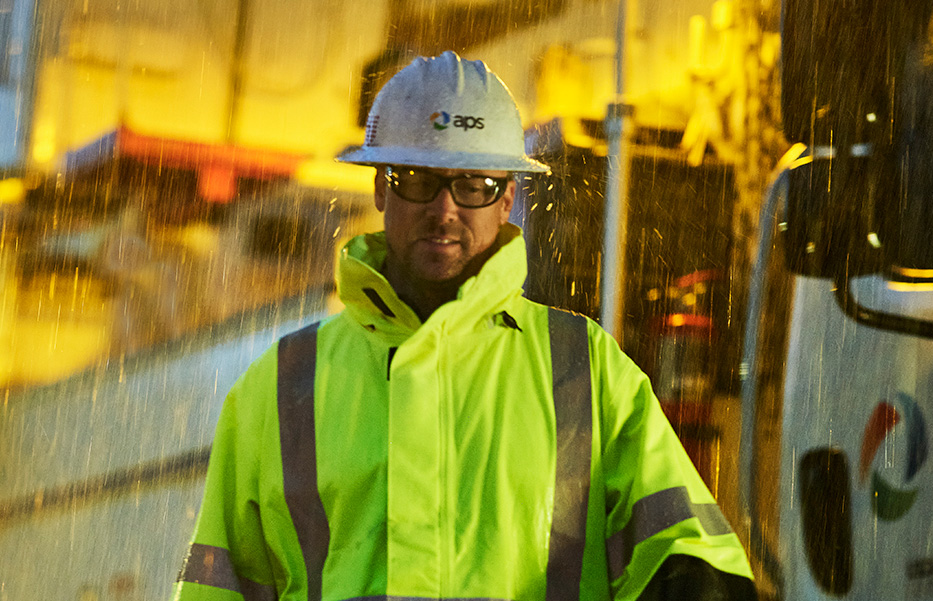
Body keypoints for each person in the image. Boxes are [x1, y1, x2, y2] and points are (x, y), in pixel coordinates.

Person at [171, 51, 756, 601]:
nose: (445, 209)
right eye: (417, 180)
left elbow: (688, 550)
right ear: (379, 186)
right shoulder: (278, 386)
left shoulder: (587, 370)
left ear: (508, 200)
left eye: (473, 185)